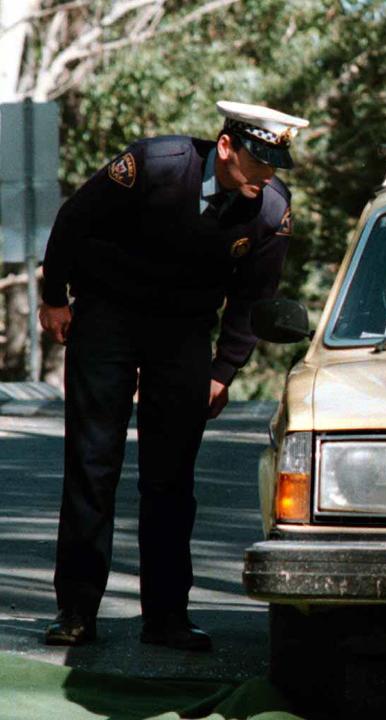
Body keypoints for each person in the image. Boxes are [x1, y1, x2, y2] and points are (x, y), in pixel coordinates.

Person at [38, 101, 308, 651]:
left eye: (274, 164)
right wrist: (54, 299)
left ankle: (166, 617)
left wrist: (223, 370)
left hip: (183, 331)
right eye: (258, 160)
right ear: (226, 146)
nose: (267, 174)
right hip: (107, 315)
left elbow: (254, 297)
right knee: (93, 464)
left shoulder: (269, 209)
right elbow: (75, 219)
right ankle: (77, 610)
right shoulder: (154, 163)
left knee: (171, 478)